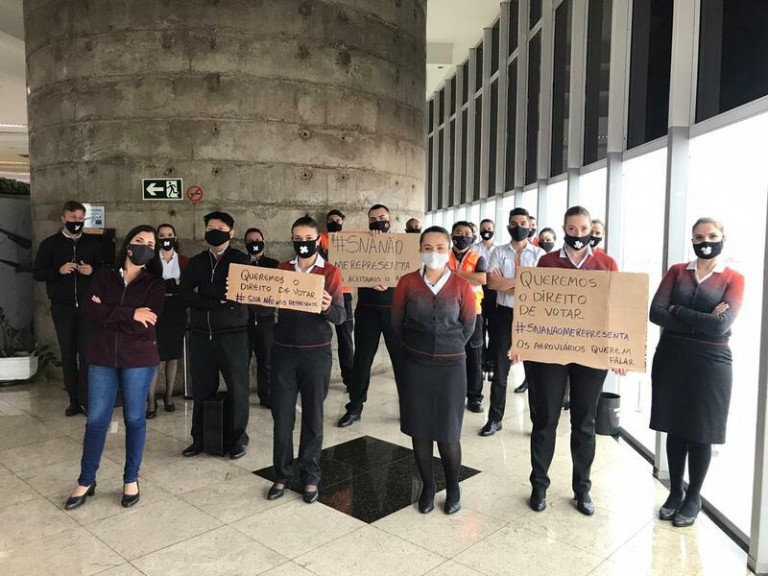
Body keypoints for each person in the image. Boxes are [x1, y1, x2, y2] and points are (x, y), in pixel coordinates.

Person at [523, 205, 621, 516]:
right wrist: (523, 341)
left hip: (592, 354)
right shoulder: (547, 261)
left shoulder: (606, 264)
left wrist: (621, 350)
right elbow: (533, 306)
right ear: (563, 229)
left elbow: (618, 308)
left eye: (583, 229)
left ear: (593, 230)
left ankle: (582, 489)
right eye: (572, 229)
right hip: (552, 352)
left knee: (585, 422)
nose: (578, 235)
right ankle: (539, 486)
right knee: (546, 419)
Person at [649, 217, 744, 527]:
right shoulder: (678, 271)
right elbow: (656, 312)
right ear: (691, 240)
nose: (706, 240)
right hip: (672, 357)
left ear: (723, 237)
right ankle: (675, 491)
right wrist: (700, 316)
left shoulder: (733, 278)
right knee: (674, 428)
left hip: (711, 363)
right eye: (699, 236)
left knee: (701, 432)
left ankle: (694, 497)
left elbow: (722, 325)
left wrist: (677, 310)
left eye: (712, 235)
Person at [64, 225, 164, 510]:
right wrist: (131, 313)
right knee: (96, 420)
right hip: (102, 356)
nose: (145, 246)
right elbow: (89, 311)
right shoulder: (104, 275)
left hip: (139, 358)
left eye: (150, 244)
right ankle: (86, 479)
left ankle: (131, 478)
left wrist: (109, 311)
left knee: (134, 418)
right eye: (139, 241)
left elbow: (150, 319)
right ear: (128, 245)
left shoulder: (155, 284)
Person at [392, 226, 476, 514]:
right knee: (420, 430)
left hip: (451, 366)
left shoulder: (462, 286)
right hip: (415, 365)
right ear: (420, 250)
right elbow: (396, 323)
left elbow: (468, 326)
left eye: (440, 247)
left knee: (448, 433)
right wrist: (416, 348)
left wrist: (447, 348)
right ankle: (428, 485)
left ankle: (453, 487)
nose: (434, 253)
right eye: (428, 247)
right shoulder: (407, 283)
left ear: (449, 250)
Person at [267, 216, 345, 504]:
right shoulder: (281, 269)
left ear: (318, 241)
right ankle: (281, 474)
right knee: (282, 417)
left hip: (316, 352)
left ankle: (310, 475)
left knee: (313, 416)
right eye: (297, 239)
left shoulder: (331, 273)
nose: (302, 244)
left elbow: (340, 317)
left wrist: (326, 308)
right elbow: (268, 302)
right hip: (283, 351)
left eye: (307, 239)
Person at [179, 211, 251, 460]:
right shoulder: (197, 261)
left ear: (231, 232)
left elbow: (237, 294)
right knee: (201, 389)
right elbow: (184, 294)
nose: (214, 231)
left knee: (238, 389)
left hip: (233, 336)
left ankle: (238, 438)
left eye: (220, 227)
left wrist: (205, 290)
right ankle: (198, 438)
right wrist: (216, 298)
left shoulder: (241, 260)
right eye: (210, 227)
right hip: (200, 336)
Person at [33, 201, 102, 416]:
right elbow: (38, 273)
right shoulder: (49, 244)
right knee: (68, 353)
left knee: (87, 354)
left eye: (80, 219)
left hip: (88, 307)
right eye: (72, 218)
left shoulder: (93, 243)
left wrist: (92, 270)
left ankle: (86, 399)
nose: (76, 222)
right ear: (63, 218)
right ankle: (73, 399)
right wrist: (58, 270)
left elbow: (107, 271)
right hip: (62, 308)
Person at [337, 204, 403, 427]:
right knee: (362, 360)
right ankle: (355, 407)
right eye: (373, 219)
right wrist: (367, 278)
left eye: (382, 217)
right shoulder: (359, 244)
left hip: (395, 311)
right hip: (366, 310)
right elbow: (346, 271)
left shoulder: (400, 245)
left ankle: (409, 407)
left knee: (400, 360)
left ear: (390, 220)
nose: (378, 222)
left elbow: (408, 274)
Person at [482, 208, 545, 436]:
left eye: (523, 222)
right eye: (514, 223)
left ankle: (537, 422)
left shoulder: (539, 255)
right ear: (508, 226)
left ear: (530, 225)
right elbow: (491, 283)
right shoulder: (498, 251)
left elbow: (538, 287)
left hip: (531, 318)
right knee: (500, 371)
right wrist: (522, 284)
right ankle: (495, 419)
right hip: (504, 316)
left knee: (533, 372)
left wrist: (506, 282)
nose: (519, 226)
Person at [146, 224, 188, 418]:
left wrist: (174, 286)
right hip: (156, 313)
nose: (166, 238)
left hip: (177, 313)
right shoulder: (150, 262)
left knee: (173, 357)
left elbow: (188, 288)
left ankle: (169, 397)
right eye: (162, 235)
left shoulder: (185, 262)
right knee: (154, 358)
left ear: (175, 237)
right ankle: (151, 401)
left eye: (169, 235)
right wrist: (171, 284)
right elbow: (147, 286)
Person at [448, 221, 487, 413]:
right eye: (458, 232)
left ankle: (474, 398)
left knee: (474, 356)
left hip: (473, 312)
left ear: (473, 237)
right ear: (451, 235)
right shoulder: (443, 255)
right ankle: (452, 394)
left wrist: (456, 274)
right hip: (447, 312)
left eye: (467, 233)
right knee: (450, 355)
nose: (463, 236)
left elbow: (482, 279)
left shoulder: (477, 257)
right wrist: (466, 276)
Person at [319, 209, 355, 388]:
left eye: (337, 219)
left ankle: (349, 379)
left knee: (345, 337)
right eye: (330, 220)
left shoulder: (351, 240)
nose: (334, 222)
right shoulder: (321, 238)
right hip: (322, 292)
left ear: (343, 221)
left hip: (344, 293)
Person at [244, 227, 279, 408]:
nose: (254, 243)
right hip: (244, 321)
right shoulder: (240, 264)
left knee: (266, 361)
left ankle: (267, 396)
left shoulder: (274, 264)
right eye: (250, 241)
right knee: (243, 361)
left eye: (257, 239)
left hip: (266, 321)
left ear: (264, 241)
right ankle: (241, 397)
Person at [474, 219, 499, 380]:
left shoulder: (499, 249)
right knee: (480, 328)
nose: (486, 231)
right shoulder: (474, 248)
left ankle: (491, 363)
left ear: (494, 230)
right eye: (483, 228)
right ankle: (481, 363)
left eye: (489, 228)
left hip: (496, 292)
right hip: (479, 291)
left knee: (495, 330)